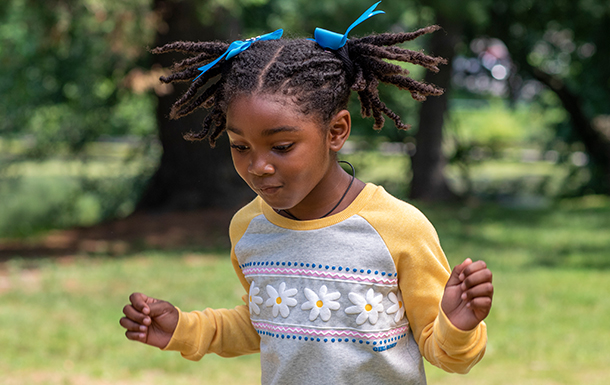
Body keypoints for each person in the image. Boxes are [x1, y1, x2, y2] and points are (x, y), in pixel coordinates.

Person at [120, 3, 493, 384]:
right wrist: (185, 329)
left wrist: (456, 325)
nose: (258, 166)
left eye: (281, 147)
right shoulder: (249, 228)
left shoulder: (398, 228)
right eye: (240, 146)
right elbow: (266, 321)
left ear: (336, 132)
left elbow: (446, 354)